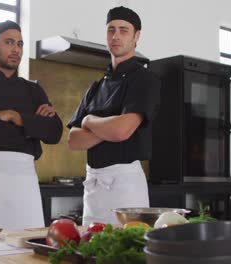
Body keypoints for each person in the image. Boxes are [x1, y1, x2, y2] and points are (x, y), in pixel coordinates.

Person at [0, 20, 63, 230]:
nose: (16, 49)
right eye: (9, 42)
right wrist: (32, 128)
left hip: (25, 182)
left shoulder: (34, 89)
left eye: (20, 44)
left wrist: (16, 117)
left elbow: (54, 132)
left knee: (27, 249)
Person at [67, 6, 161, 225]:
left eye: (123, 30)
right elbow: (73, 140)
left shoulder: (145, 80)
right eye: (111, 30)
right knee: (91, 251)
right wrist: (110, 128)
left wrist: (89, 121)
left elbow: (122, 130)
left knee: (124, 253)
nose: (116, 35)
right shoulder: (95, 87)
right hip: (94, 187)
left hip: (126, 187)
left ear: (136, 36)